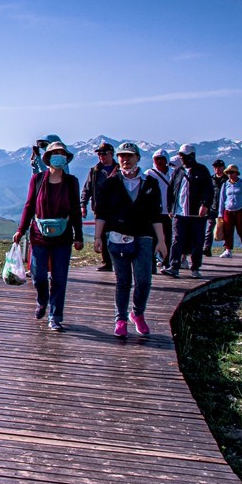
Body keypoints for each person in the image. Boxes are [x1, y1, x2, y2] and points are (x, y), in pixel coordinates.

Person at [94, 142, 167, 338]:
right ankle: (120, 319)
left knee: (144, 280)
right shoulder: (110, 183)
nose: (125, 160)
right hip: (118, 237)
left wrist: (161, 240)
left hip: (143, 236)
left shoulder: (150, 183)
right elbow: (101, 212)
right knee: (123, 281)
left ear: (138, 158)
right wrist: (98, 237)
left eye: (130, 156)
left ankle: (138, 313)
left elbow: (155, 215)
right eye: (122, 156)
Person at [14, 142, 84, 332]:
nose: (59, 156)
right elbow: (29, 205)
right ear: (48, 158)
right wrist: (21, 230)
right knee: (38, 276)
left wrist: (79, 236)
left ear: (66, 158)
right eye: (55, 153)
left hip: (63, 236)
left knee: (60, 278)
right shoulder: (37, 180)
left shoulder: (72, 182)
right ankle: (42, 300)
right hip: (39, 235)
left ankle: (55, 316)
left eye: (62, 153)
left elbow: (76, 210)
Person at [167, 143, 214, 279]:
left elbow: (208, 190)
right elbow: (171, 190)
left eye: (184, 156)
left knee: (197, 241)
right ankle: (174, 266)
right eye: (181, 155)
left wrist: (205, 205)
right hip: (179, 213)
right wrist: (170, 207)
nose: (182, 158)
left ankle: (195, 268)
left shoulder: (202, 170)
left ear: (192, 156)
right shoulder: (178, 171)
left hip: (196, 214)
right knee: (176, 239)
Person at [81, 142, 118, 271]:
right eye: (99, 154)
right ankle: (107, 262)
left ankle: (118, 261)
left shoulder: (119, 170)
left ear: (111, 154)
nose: (101, 156)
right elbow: (87, 189)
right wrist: (83, 205)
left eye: (103, 153)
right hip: (100, 208)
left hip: (118, 209)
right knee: (102, 235)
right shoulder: (95, 171)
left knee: (117, 235)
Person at [144, 149, 174, 272]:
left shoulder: (173, 173)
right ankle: (152, 264)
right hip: (154, 212)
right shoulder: (149, 174)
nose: (159, 162)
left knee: (168, 239)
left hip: (170, 212)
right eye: (157, 159)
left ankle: (167, 262)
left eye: (162, 159)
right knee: (152, 239)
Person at [216, 165, 242, 258]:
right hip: (228, 210)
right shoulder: (225, 185)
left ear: (236, 173)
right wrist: (220, 213)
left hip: (241, 210)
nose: (230, 175)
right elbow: (222, 199)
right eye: (228, 173)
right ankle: (228, 250)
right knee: (227, 230)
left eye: (232, 172)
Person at [204, 159, 228, 256]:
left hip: (224, 208)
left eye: (219, 167)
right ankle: (206, 248)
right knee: (210, 228)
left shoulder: (227, 180)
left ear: (223, 168)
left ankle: (226, 248)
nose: (217, 169)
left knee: (226, 228)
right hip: (212, 207)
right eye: (215, 167)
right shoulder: (210, 179)